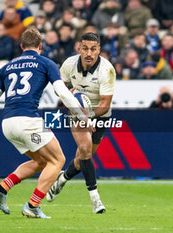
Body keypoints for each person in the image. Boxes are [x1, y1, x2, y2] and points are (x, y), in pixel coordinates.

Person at [0, 28, 89, 219]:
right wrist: (82, 117)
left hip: (7, 124)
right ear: (41, 46)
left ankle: (2, 188)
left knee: (41, 161)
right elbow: (62, 93)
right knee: (58, 160)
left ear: (22, 47)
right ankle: (33, 205)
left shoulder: (6, 67)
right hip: (28, 120)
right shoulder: (46, 63)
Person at [46, 32, 115, 214]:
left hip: (99, 114)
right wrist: (67, 93)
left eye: (93, 49)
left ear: (99, 49)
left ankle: (62, 179)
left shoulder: (107, 69)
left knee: (81, 159)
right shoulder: (69, 64)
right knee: (84, 149)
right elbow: (57, 89)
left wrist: (88, 114)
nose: (89, 53)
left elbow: (105, 104)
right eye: (85, 48)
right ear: (79, 48)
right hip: (76, 111)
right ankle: (96, 200)